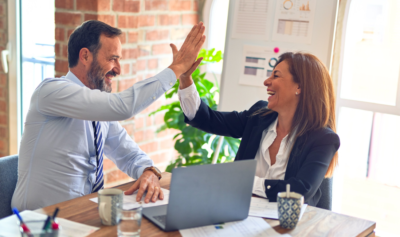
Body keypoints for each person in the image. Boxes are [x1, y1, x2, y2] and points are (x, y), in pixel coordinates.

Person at [12, 20, 205, 211]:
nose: (118, 70)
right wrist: (177, 68)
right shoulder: (51, 92)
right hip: (38, 223)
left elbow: (128, 153)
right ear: (85, 56)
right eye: (113, 58)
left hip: (82, 216)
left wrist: (149, 171)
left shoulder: (98, 110)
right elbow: (123, 107)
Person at [177, 52, 340, 206]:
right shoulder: (258, 116)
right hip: (241, 216)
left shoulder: (323, 139)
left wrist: (244, 181)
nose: (266, 81)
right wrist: (185, 80)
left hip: (291, 227)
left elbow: (299, 191)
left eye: (276, 75)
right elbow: (208, 119)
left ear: (299, 87)